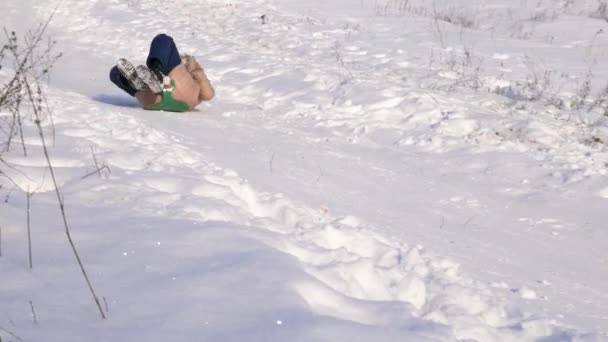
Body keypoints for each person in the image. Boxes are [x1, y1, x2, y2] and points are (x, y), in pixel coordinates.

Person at [109, 34, 214, 112]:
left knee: (162, 40)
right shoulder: (194, 76)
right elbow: (208, 94)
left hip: (151, 101)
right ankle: (153, 78)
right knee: (116, 72)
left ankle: (149, 80)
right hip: (184, 102)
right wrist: (197, 72)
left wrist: (194, 68)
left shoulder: (187, 67)